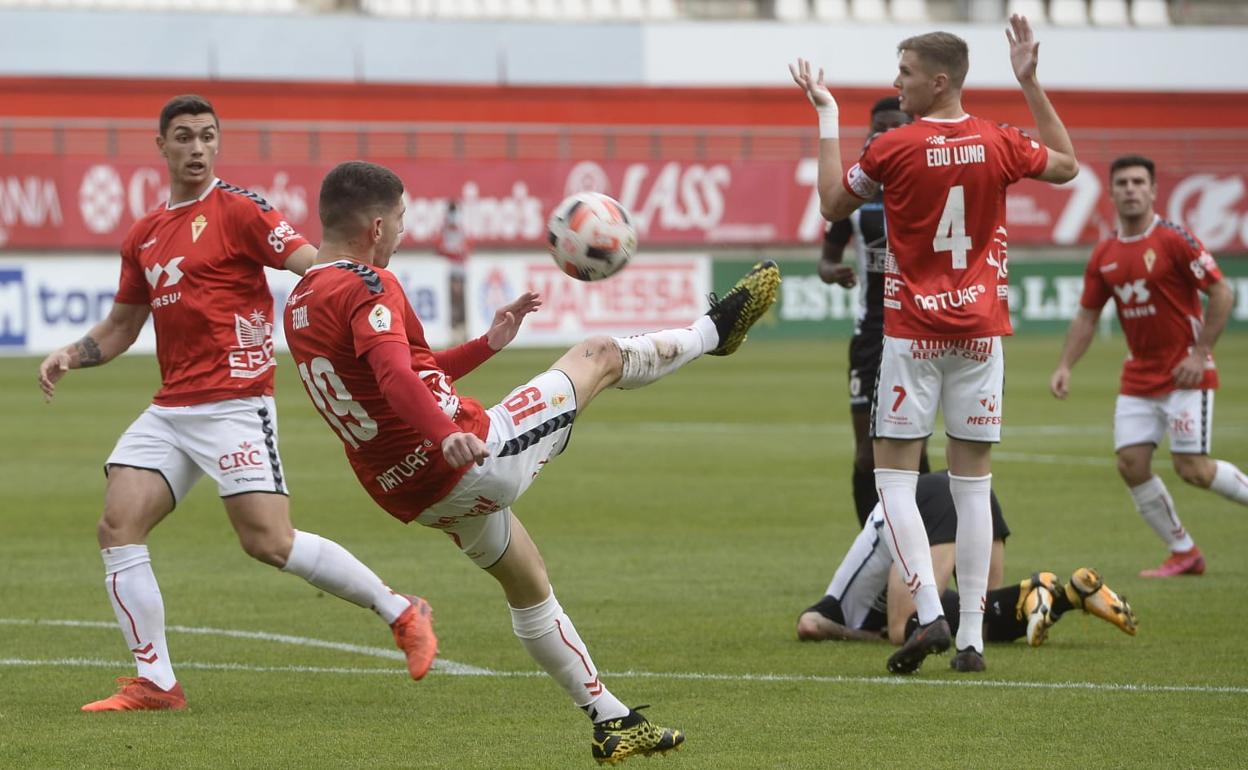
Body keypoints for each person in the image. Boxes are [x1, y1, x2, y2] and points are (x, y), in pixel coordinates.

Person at [282, 160, 781, 764]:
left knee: (528, 583)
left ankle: (611, 720)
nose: (405, 232)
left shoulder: (302, 297)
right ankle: (714, 332)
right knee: (599, 355)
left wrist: (487, 345)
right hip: (469, 457)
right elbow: (394, 378)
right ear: (377, 226)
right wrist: (445, 434)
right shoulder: (367, 283)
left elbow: (409, 372)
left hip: (411, 492)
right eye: (402, 220)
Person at [36, 96, 434, 713]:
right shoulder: (144, 235)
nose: (196, 147)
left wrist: (365, 280)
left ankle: (400, 609)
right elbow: (121, 327)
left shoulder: (241, 210)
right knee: (117, 525)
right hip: (172, 409)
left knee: (268, 542)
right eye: (184, 137)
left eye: (207, 136)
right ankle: (156, 682)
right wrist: (71, 353)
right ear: (162, 146)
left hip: (235, 403)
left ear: (217, 144)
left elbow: (313, 264)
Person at [791, 15, 1079, 674]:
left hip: (912, 336)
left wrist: (827, 114)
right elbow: (1066, 166)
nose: (898, 84)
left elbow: (833, 203)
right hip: (980, 336)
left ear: (939, 81)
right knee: (973, 488)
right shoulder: (999, 140)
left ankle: (929, 614)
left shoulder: (894, 147)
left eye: (906, 73)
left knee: (895, 481)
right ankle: (971, 639)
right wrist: (1030, 83)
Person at [1050, 155, 1244, 578]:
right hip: (1139, 376)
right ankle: (1183, 551)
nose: (1131, 189)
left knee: (1192, 469)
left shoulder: (1174, 240)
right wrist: (1065, 365)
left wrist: (1200, 354)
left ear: (1154, 190)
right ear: (1112, 192)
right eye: (1122, 183)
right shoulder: (1104, 253)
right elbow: (1087, 316)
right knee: (1131, 464)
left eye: (1139, 182)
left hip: (1185, 375)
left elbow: (1222, 292)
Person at [796, 472, 1137, 647]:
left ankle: (1039, 589)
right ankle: (1069, 596)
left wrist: (866, 637)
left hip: (925, 501)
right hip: (972, 491)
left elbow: (810, 625)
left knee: (904, 629)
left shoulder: (837, 606)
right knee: (979, 619)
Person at [818, 96, 930, 525]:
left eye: (894, 126)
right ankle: (871, 544)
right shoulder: (855, 194)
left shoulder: (930, 189)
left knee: (912, 448)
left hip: (919, 332)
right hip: (871, 335)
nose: (884, 134)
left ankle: (929, 542)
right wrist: (834, 272)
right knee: (867, 454)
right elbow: (826, 259)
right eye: (877, 127)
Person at [436, 199, 471, 344]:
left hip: (461, 271)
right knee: (451, 301)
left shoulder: (461, 230)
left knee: (462, 300)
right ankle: (453, 328)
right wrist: (452, 251)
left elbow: (467, 248)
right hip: (449, 272)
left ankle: (462, 328)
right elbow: (439, 249)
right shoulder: (444, 231)